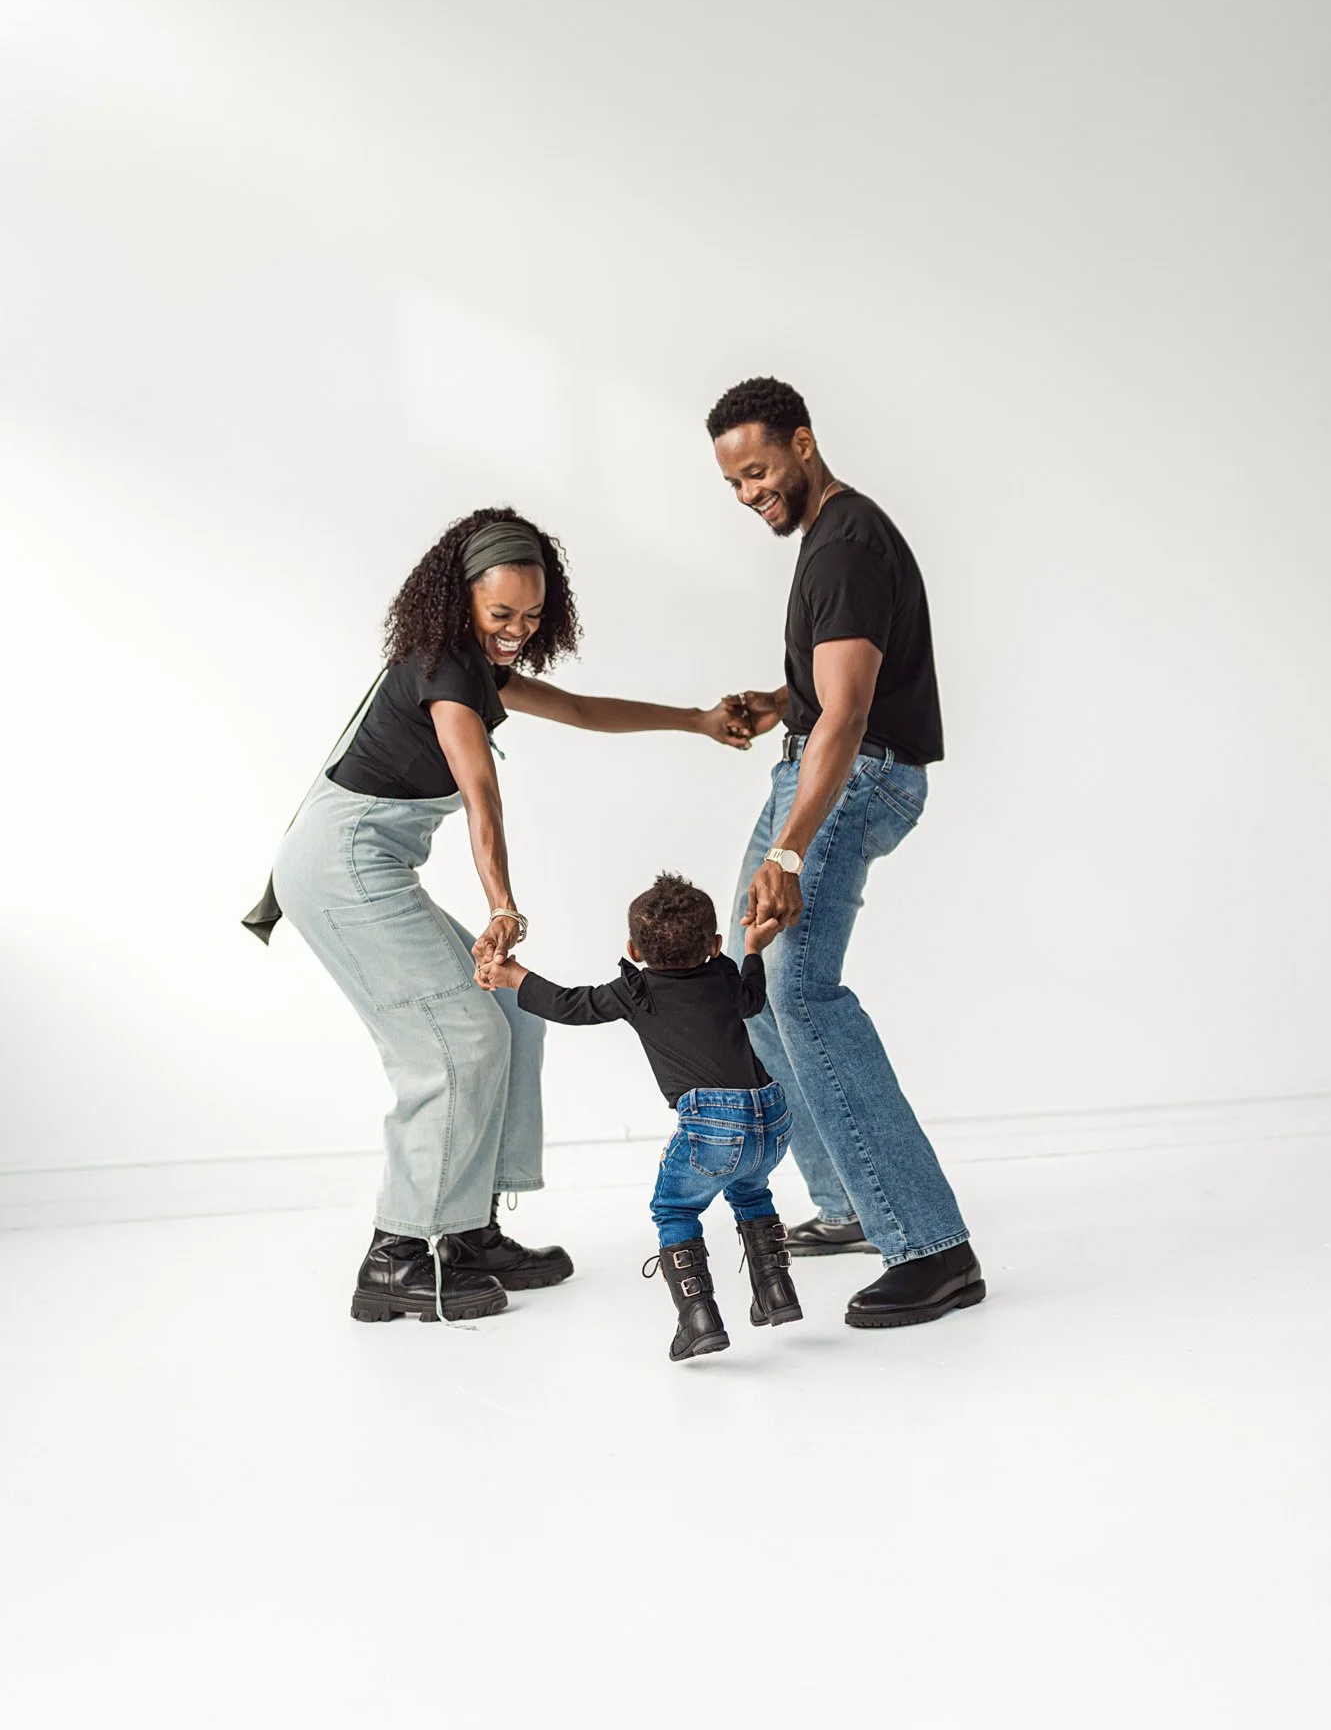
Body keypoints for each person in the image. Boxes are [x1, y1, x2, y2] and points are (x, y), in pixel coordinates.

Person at [263, 507, 752, 1324]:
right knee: (460, 1038)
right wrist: (500, 903)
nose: (517, 631)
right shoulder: (446, 671)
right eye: (501, 616)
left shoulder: (474, 666)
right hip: (341, 864)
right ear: (461, 602)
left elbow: (586, 710)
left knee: (511, 1015)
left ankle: (465, 1232)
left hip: (365, 858)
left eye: (531, 616)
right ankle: (397, 1254)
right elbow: (480, 790)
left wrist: (696, 721)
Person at [707, 377, 986, 1328]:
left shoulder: (849, 543)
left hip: (851, 778)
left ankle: (933, 1246)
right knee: (749, 980)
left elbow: (854, 710)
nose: (751, 494)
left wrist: (787, 855)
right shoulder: (829, 542)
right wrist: (774, 702)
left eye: (758, 470)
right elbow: (826, 690)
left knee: (802, 990)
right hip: (820, 764)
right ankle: (849, 1205)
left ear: (803, 440)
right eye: (736, 485)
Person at [482, 872, 802, 1362]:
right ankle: (776, 1292)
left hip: (712, 1124)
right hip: (772, 1118)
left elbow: (570, 1005)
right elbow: (752, 1000)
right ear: (716, 944)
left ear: (634, 949)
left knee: (675, 1209)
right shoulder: (724, 973)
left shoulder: (637, 990)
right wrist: (754, 948)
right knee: (750, 1188)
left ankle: (699, 1321)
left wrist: (512, 976)